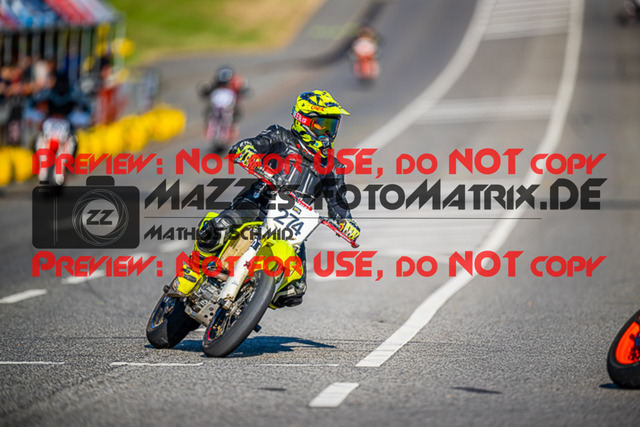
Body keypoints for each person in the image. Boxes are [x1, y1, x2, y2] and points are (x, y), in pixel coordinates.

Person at [184, 90, 361, 308]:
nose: (327, 133)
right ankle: (192, 270)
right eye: (321, 125)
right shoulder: (279, 136)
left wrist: (346, 222)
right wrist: (247, 152)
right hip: (258, 203)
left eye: (331, 126)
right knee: (218, 228)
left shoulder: (333, 166)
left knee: (293, 291)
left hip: (292, 225)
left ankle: (244, 306)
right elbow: (249, 145)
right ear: (303, 121)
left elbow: (338, 201)